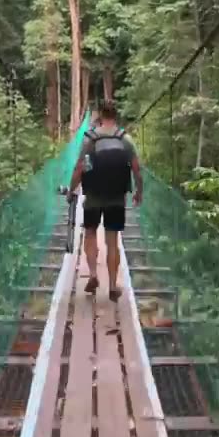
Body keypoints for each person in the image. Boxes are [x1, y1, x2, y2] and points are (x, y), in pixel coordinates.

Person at [67, 101, 142, 301]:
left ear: (99, 115)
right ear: (116, 115)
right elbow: (136, 168)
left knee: (90, 233)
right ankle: (112, 285)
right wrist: (138, 192)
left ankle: (92, 275)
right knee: (112, 241)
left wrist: (71, 190)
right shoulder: (125, 139)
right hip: (117, 197)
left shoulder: (90, 138)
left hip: (93, 195)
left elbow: (79, 167)